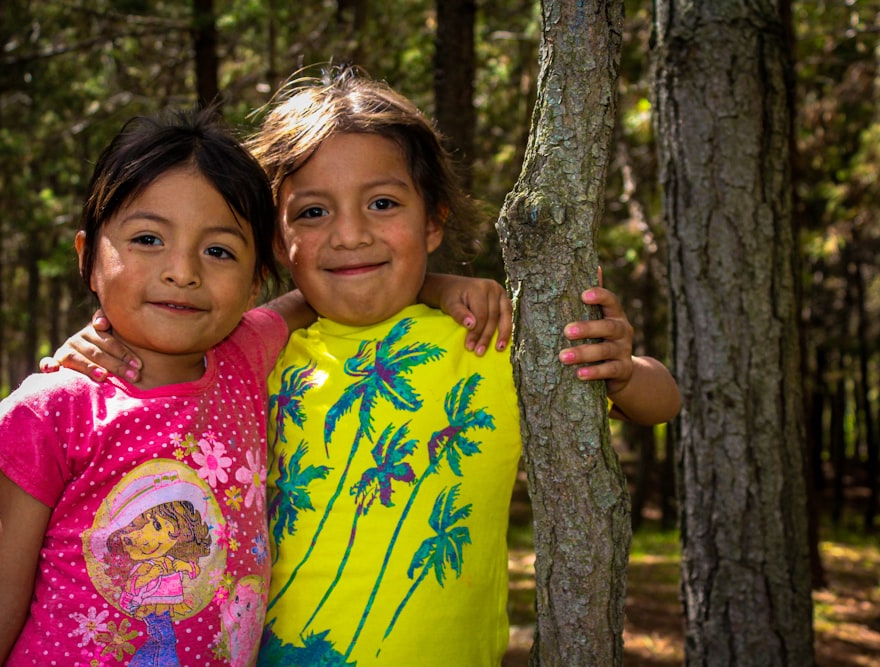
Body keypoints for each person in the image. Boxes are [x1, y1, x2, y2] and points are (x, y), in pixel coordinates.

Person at [46, 66, 681, 666]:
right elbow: (151, 362)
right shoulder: (247, 360)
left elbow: (661, 401)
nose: (350, 235)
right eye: (314, 213)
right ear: (277, 240)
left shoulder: (490, 340)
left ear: (433, 220)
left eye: (382, 204)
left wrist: (621, 367)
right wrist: (93, 344)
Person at [0, 107, 312, 667]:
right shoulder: (53, 408)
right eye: (149, 238)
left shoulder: (245, 359)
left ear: (256, 279)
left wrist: (439, 283)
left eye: (219, 251)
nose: (183, 271)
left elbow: (326, 289)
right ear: (88, 259)